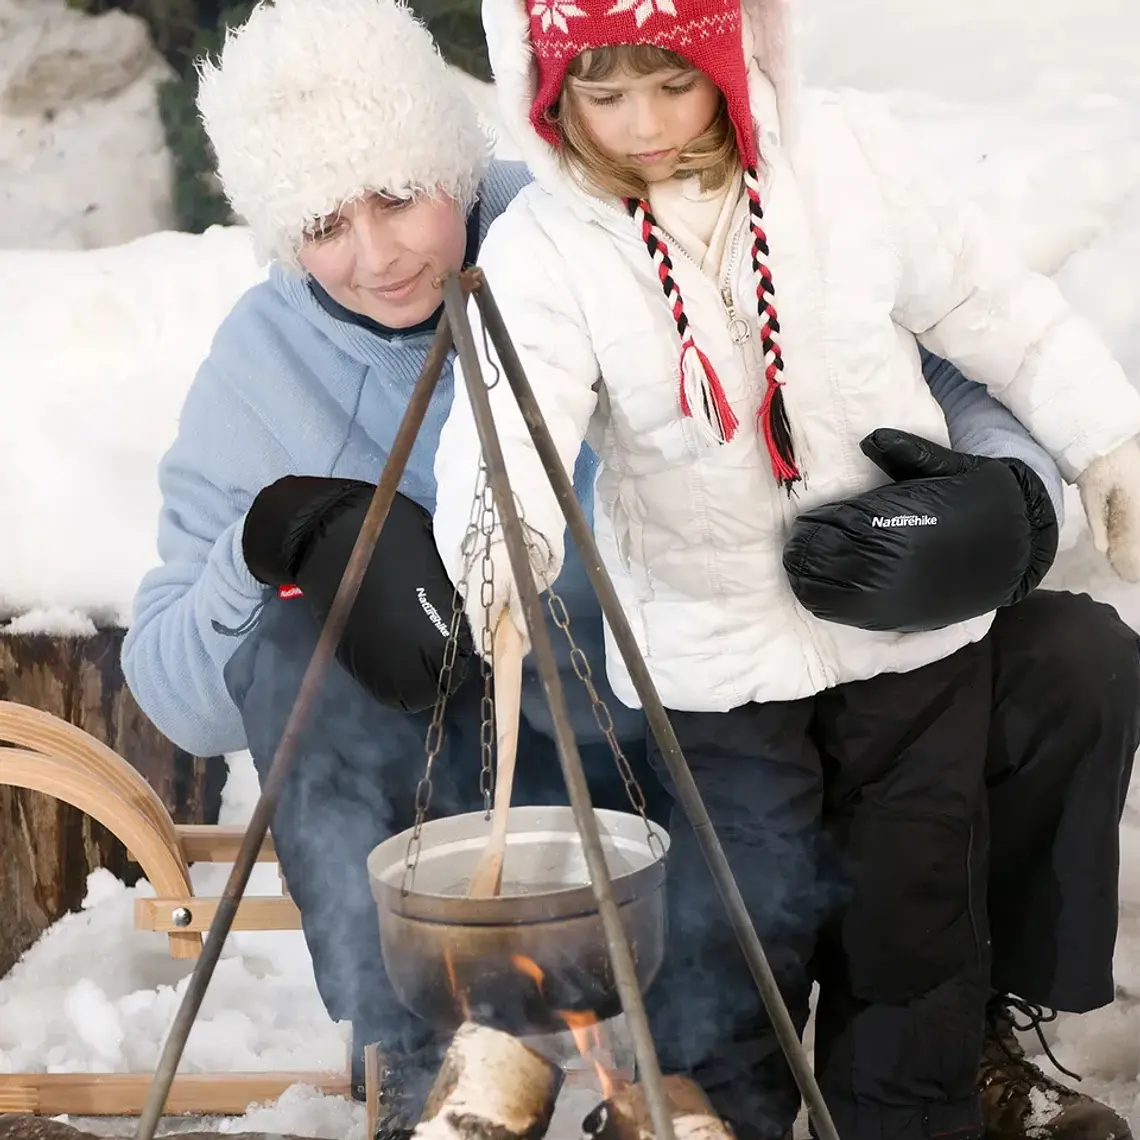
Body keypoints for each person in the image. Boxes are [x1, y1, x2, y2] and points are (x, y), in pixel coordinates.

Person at [119, 1, 1137, 1139]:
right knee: (291, 648)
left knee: (1069, 662)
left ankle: (967, 1040)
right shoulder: (276, 362)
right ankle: (437, 1067)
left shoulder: (599, 208)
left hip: (762, 680)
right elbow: (180, 695)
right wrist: (269, 542)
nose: (375, 254)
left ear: (455, 160)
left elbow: (936, 354)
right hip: (529, 787)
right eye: (321, 223)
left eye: (399, 197)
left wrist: (1010, 506)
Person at [427, 1, 1140, 1139]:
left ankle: (907, 1120)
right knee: (743, 925)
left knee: (914, 912)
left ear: (728, 52)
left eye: (673, 85)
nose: (643, 126)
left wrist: (1108, 440)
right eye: (604, 97)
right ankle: (729, 1121)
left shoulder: (845, 159)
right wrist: (498, 544)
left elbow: (991, 306)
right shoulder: (549, 245)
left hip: (908, 629)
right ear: (552, 91)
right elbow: (509, 418)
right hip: (713, 663)